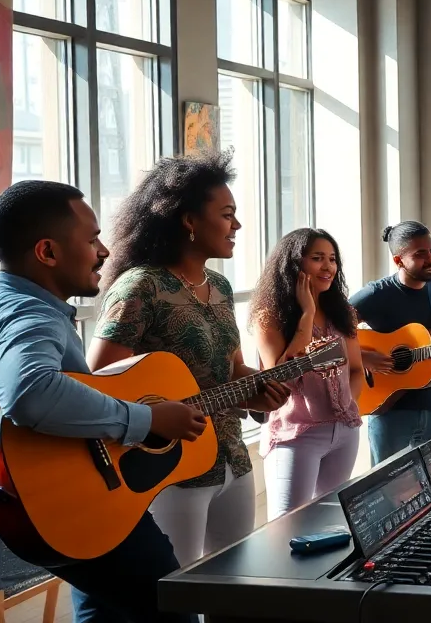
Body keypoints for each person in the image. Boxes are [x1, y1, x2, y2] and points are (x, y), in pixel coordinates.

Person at [0, 181, 202, 623]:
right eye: (91, 240)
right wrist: (144, 419)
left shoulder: (2, 303)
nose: (105, 251)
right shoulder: (28, 315)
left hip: (73, 508)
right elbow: (28, 392)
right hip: (68, 511)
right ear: (47, 252)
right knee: (177, 610)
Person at [89, 152, 289, 567]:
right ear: (188, 221)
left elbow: (232, 372)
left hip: (232, 458)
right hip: (170, 470)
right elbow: (99, 382)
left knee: (235, 586)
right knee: (177, 592)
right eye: (227, 214)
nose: (236, 226)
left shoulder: (218, 285)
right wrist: (156, 416)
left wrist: (260, 393)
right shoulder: (140, 286)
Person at [250, 229, 364, 520]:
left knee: (331, 525)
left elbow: (355, 369)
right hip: (296, 435)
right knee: (287, 528)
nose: (328, 267)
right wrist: (307, 315)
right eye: (317, 258)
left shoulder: (343, 312)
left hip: (345, 433)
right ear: (294, 264)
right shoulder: (269, 316)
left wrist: (349, 409)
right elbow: (278, 380)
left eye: (332, 259)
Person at [352, 221, 431, 465]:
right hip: (388, 411)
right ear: (398, 261)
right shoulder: (376, 294)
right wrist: (362, 356)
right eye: (420, 254)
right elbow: (329, 332)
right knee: (386, 489)